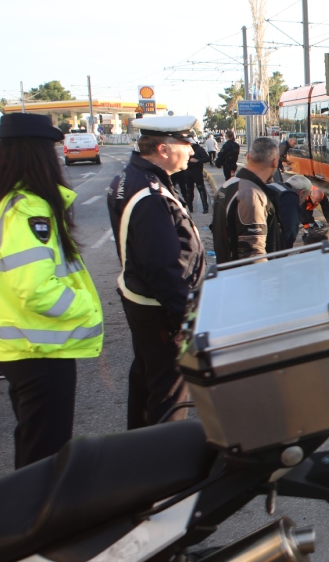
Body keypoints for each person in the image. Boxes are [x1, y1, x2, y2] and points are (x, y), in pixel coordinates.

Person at [0, 113, 104, 467]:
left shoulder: (1, 202)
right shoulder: (28, 208)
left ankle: (31, 513)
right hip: (40, 348)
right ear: (38, 154)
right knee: (45, 454)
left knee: (34, 442)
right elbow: (35, 290)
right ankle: (37, 519)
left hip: (21, 346)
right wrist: (86, 309)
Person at [107, 115, 205, 430]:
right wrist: (187, 319)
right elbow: (163, 267)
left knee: (146, 380)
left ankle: (137, 449)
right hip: (159, 309)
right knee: (169, 393)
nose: (192, 151)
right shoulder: (148, 194)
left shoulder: (132, 177)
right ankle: (161, 464)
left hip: (142, 300)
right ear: (163, 149)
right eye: (186, 144)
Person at [211, 137, 282, 262]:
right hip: (246, 277)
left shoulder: (228, 185)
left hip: (228, 271)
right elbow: (253, 253)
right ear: (275, 162)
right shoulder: (251, 194)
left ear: (248, 157)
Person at [182, 138, 211, 214]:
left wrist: (197, 160)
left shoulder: (198, 149)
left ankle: (205, 207)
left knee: (201, 188)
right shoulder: (184, 149)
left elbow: (207, 158)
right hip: (187, 172)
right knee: (189, 190)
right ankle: (189, 207)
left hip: (197, 172)